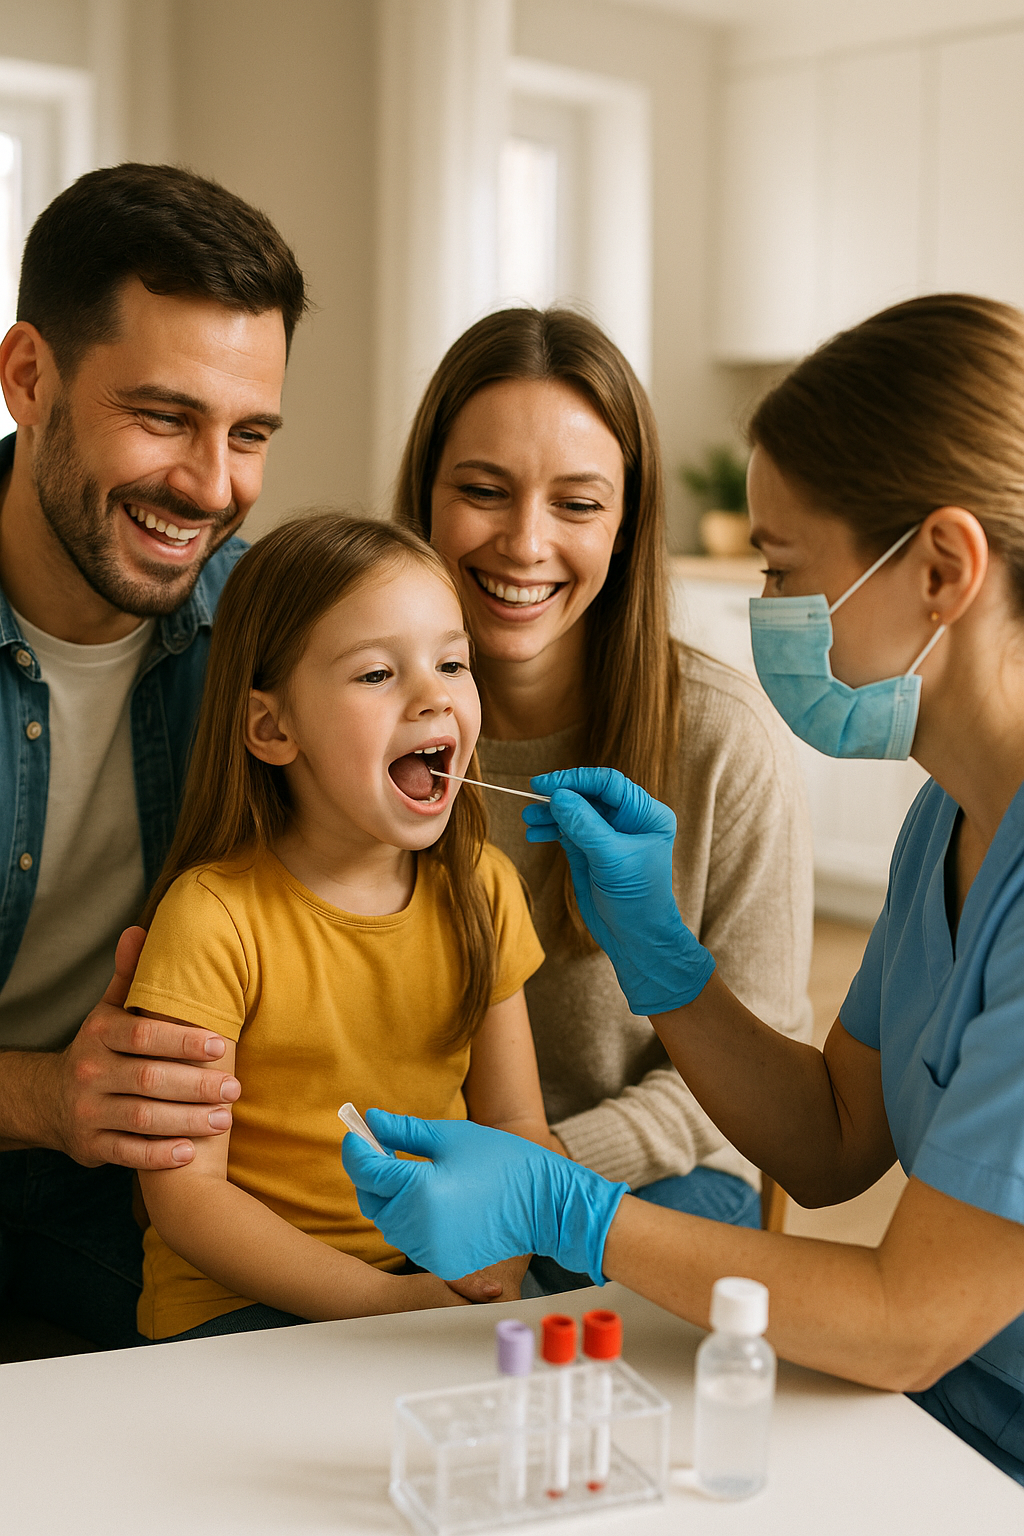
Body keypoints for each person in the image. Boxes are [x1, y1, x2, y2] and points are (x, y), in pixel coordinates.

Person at [347, 293, 1024, 1485]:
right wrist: (666, 964)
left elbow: (905, 1320)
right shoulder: (951, 821)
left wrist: (566, 1205)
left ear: (940, 569)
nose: (765, 613)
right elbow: (827, 1148)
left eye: (783, 568)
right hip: (950, 1407)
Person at [393, 309, 814, 1282]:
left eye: (576, 504)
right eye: (483, 491)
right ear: (424, 497)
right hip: (418, 1175)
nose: (524, 542)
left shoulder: (719, 739)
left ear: (626, 528)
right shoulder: (352, 718)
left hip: (653, 1178)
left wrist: (540, 1176)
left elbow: (764, 1078)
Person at [0, 163, 305, 1347]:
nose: (211, 486)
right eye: (165, 416)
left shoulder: (263, 640)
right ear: (30, 377)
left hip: (134, 1188)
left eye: (250, 434)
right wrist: (41, 1095)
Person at [126, 513, 552, 1341]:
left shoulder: (484, 891)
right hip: (238, 1303)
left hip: (433, 1273)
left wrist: (500, 1253)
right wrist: (381, 1305)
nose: (432, 694)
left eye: (452, 663)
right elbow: (186, 1199)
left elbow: (516, 1126)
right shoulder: (213, 918)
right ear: (272, 729)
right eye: (377, 674)